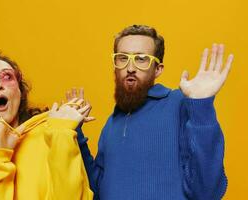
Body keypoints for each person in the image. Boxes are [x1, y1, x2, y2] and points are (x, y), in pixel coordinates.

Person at [76, 25, 233, 200]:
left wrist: (201, 104)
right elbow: (97, 190)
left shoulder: (179, 104)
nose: (130, 67)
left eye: (141, 59)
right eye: (122, 58)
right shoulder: (112, 123)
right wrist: (76, 134)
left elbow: (207, 191)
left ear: (158, 69)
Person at [0, 51, 93, 199]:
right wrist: (0, 153)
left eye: (7, 77)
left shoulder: (52, 135)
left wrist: (62, 133)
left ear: (20, 91)